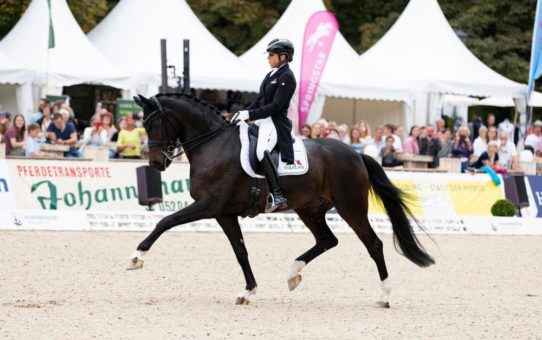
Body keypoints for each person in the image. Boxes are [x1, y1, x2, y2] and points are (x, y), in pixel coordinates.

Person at [234, 38, 296, 212]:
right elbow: (260, 100)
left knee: (262, 151)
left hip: (275, 122)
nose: (268, 58)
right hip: (263, 119)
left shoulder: (287, 77)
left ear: (283, 56)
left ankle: (277, 194)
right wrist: (244, 114)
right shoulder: (271, 75)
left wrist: (251, 114)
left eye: (271, 55)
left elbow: (276, 106)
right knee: (240, 131)